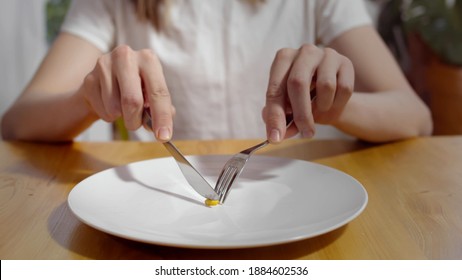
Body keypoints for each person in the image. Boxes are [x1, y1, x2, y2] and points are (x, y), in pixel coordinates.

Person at [1, 0, 432, 143]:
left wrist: (334, 106)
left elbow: (415, 118)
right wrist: (87, 100)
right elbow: (17, 123)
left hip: (294, 203)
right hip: (169, 223)